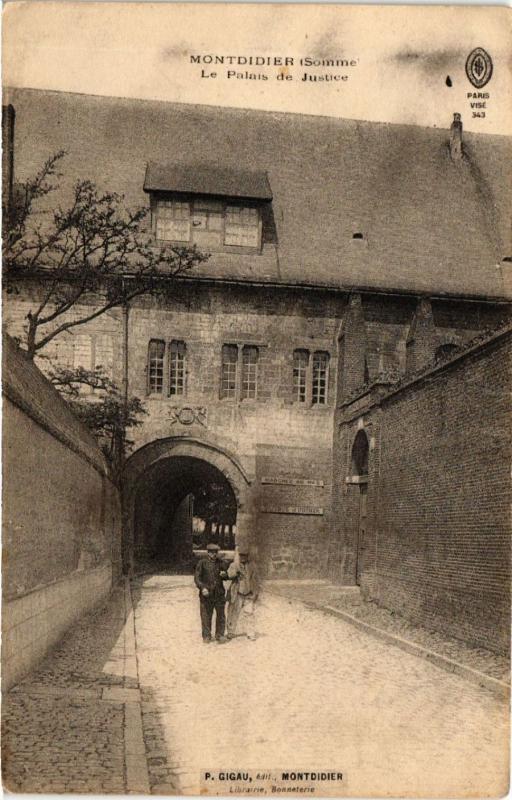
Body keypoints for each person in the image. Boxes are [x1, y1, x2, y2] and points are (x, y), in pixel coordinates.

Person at [194, 543, 229, 644]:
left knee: (221, 615)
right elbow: (197, 578)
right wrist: (202, 588)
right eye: (211, 552)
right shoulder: (202, 563)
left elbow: (226, 576)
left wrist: (224, 574)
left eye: (215, 552)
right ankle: (206, 636)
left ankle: (220, 635)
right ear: (208, 552)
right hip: (207, 594)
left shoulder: (221, 563)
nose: (214, 554)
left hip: (219, 594)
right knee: (206, 615)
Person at [226, 548, 260, 641]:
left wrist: (255, 592)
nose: (243, 558)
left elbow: (256, 580)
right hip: (237, 593)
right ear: (239, 556)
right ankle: (230, 632)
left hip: (248, 593)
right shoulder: (234, 565)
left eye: (245, 555)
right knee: (233, 612)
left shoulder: (252, 566)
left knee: (249, 613)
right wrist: (236, 572)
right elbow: (229, 575)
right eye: (241, 555)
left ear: (248, 556)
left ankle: (251, 633)